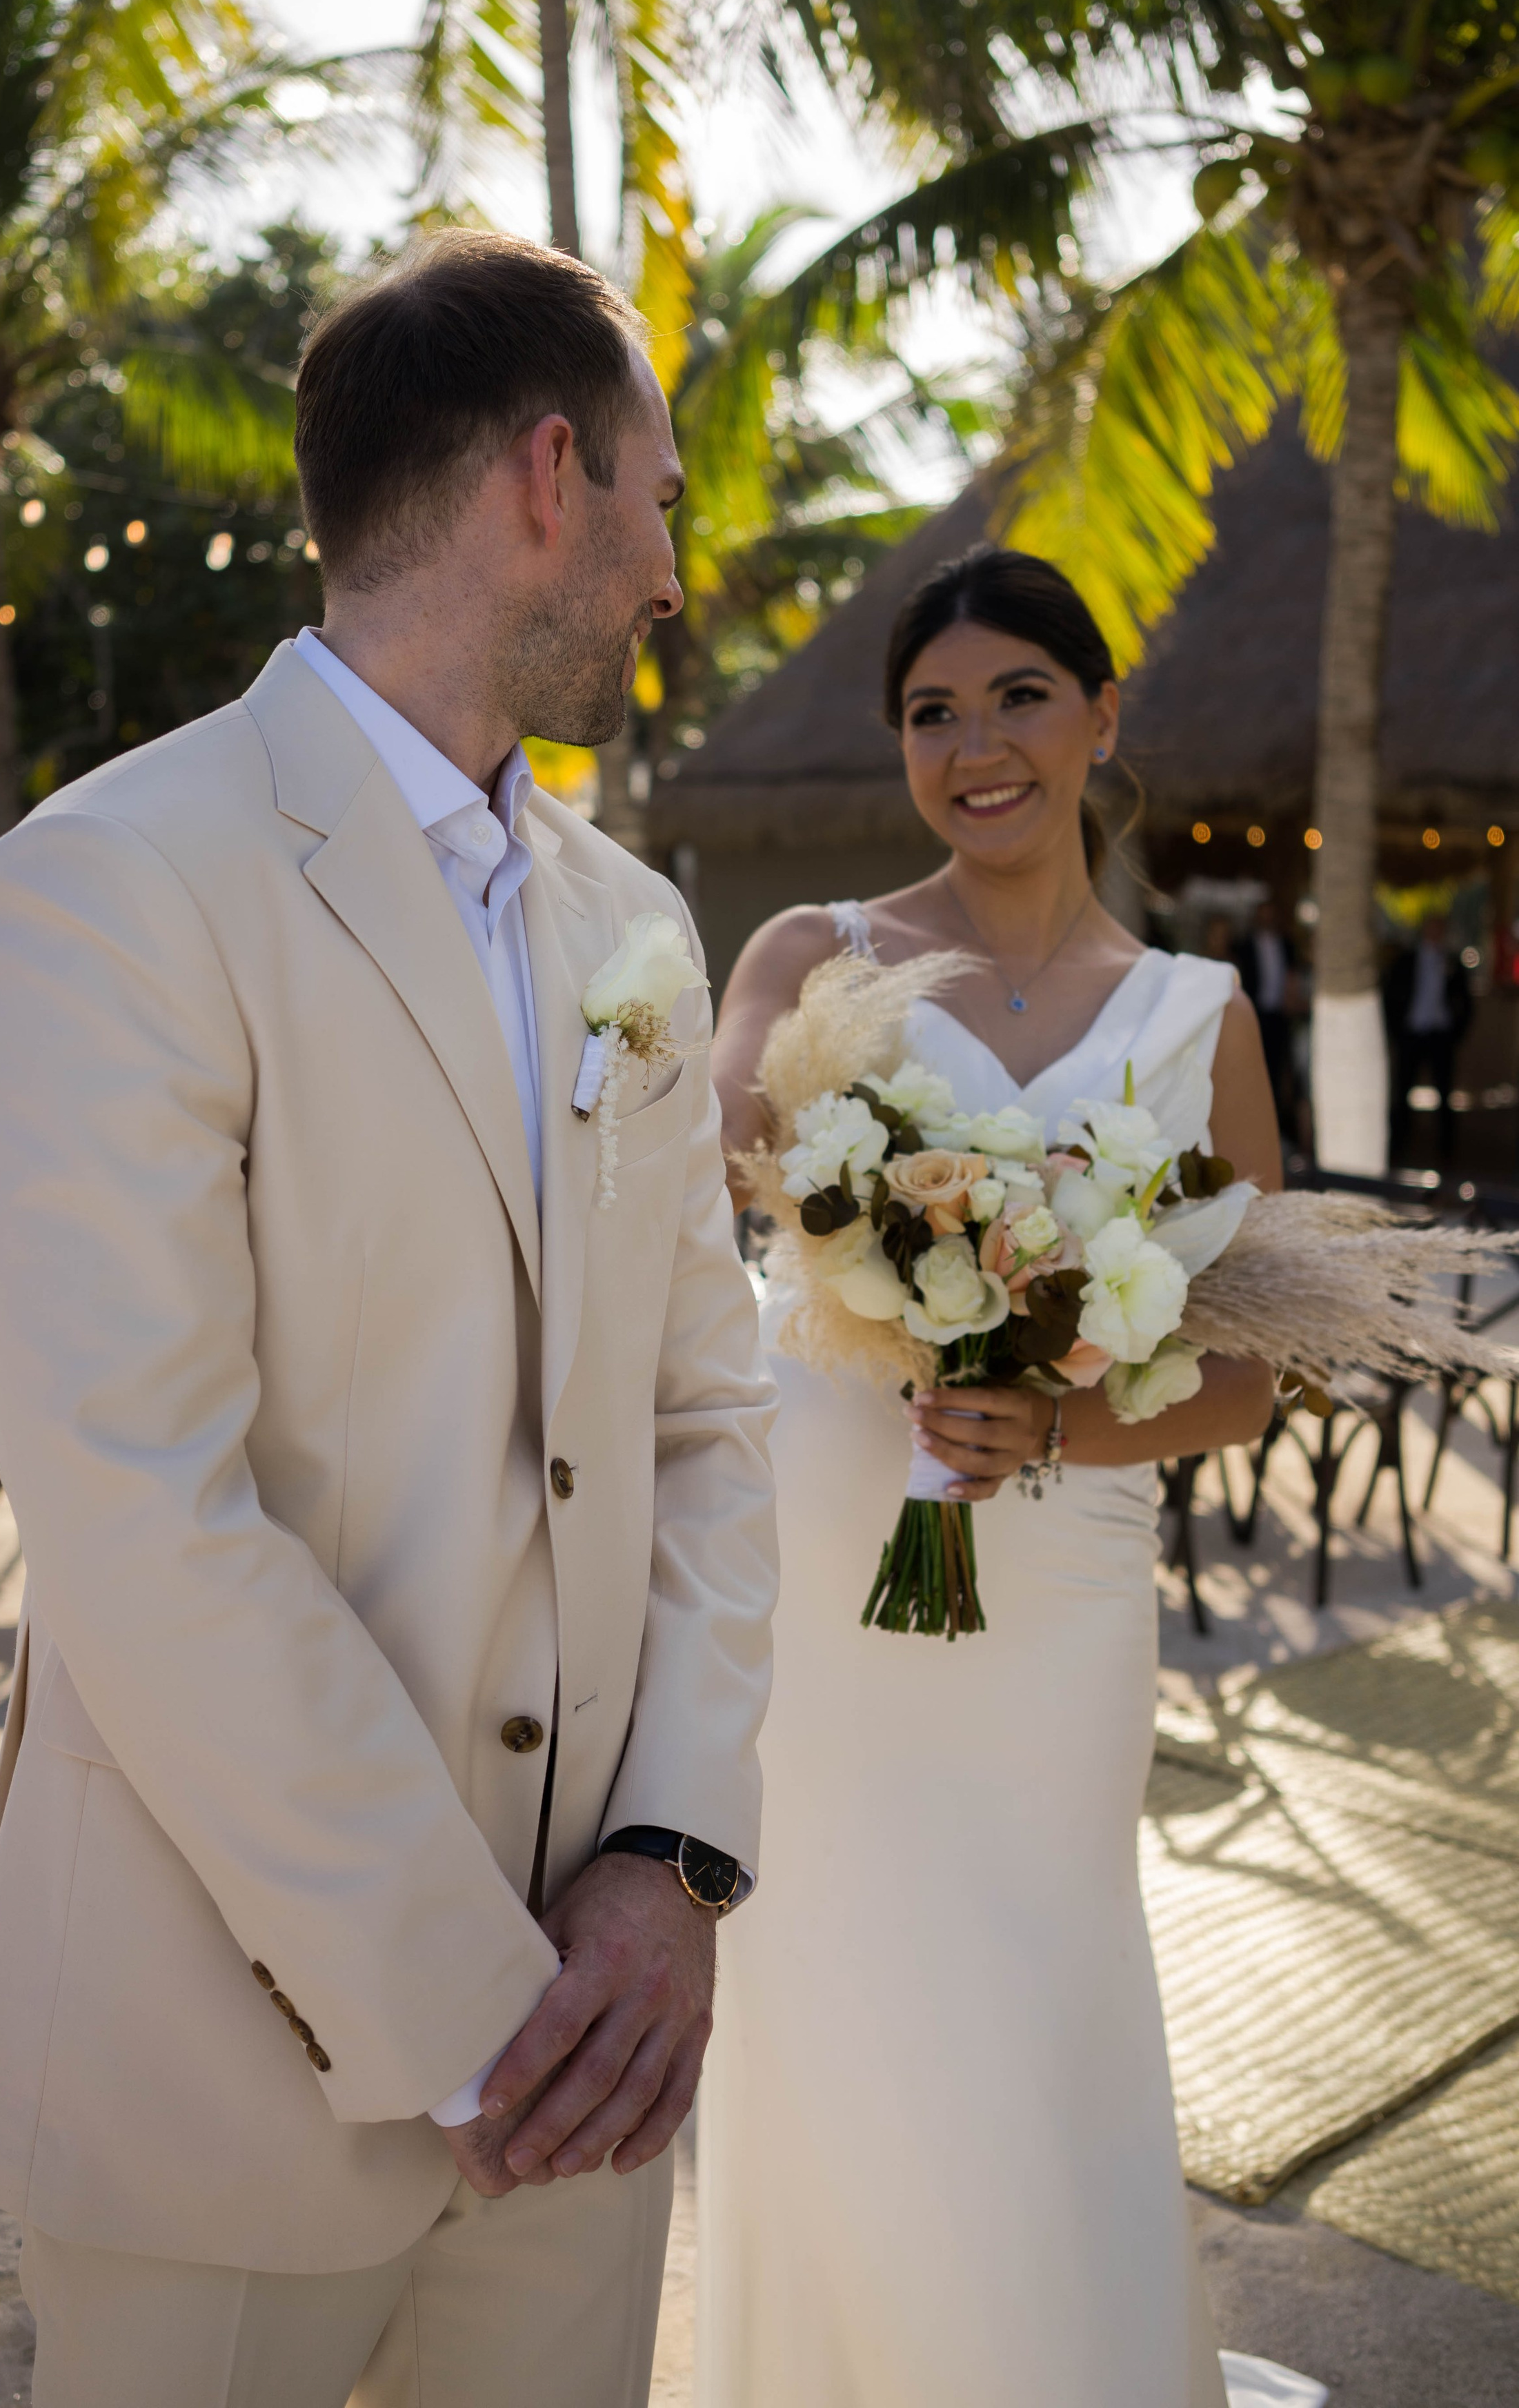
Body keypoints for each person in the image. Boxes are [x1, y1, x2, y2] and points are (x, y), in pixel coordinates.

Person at [0, 232, 778, 2408]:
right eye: (664, 501)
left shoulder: (640, 926)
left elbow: (710, 1410)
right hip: (223, 2077)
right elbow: (142, 1512)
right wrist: (471, 1993)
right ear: (550, 473)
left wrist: (668, 1866)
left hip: (594, 2085)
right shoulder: (106, 883)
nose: (674, 570)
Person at [703, 546, 1320, 2408]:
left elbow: (1251, 1375)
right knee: (832, 1993)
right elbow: (723, 1142)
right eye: (932, 714)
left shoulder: (1198, 1013)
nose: (978, 746)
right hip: (830, 1580)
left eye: (1020, 697)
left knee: (1040, 1997)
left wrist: (1056, 1415)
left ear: (1102, 716)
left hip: (1056, 1610)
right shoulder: (816, 956)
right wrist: (865, 1205)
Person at [1384, 913, 1472, 1164]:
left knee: (1445, 1094)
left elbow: (1465, 1003)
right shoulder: (1406, 960)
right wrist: (1398, 1031)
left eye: (1440, 929)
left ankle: (1448, 1150)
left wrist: (1457, 1033)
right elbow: (1393, 996)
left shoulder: (1452, 962)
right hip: (1412, 1035)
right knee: (1403, 1092)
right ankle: (1399, 1145)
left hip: (1441, 1036)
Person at [1234, 898, 1297, 1141]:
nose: (1267, 919)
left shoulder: (1286, 944)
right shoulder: (1244, 946)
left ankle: (1276, 1127)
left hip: (1279, 1016)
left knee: (1278, 1071)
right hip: (1254, 1015)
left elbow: (1292, 978)